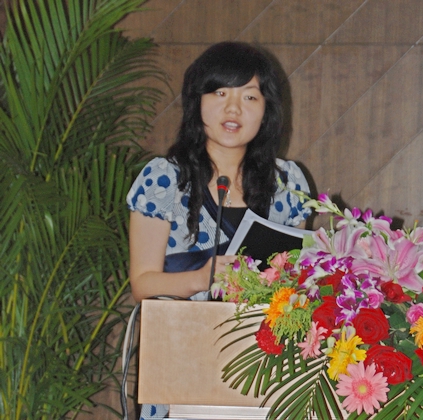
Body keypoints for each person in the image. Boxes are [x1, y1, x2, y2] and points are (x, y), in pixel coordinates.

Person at [126, 41, 312, 419]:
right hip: (181, 359)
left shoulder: (288, 183)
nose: (233, 108)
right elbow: (142, 284)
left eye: (249, 97)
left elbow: (300, 281)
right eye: (220, 93)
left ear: (266, 109)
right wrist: (201, 277)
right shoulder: (164, 178)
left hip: (264, 365)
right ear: (197, 101)